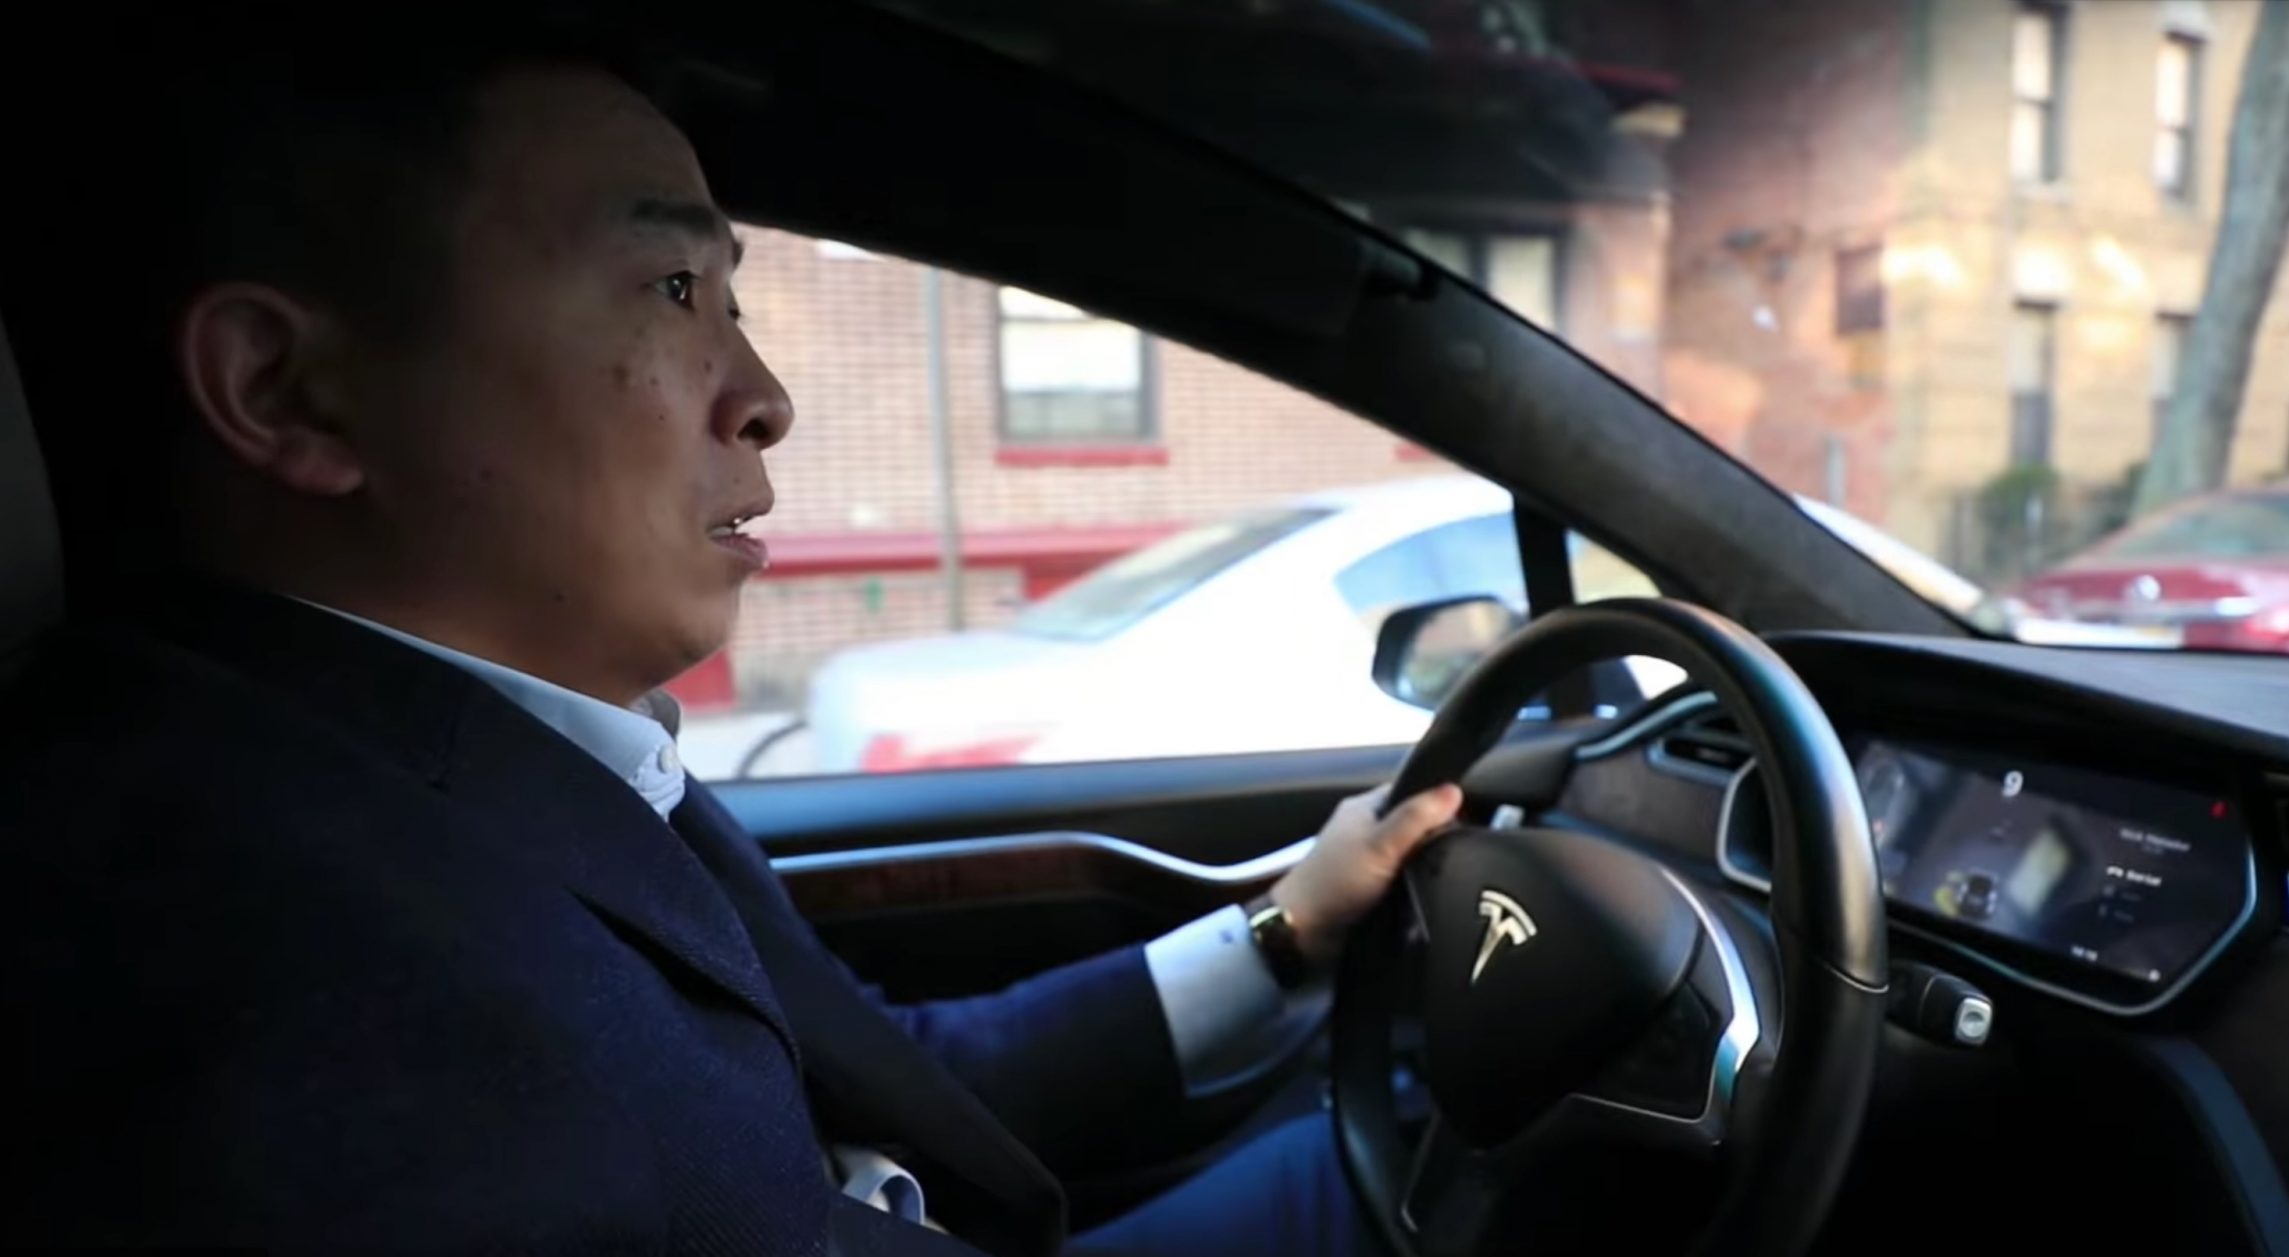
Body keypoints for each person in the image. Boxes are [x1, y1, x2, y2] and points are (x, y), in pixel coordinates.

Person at [0, 25, 1459, 1257]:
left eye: (732, 298)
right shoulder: (243, 956)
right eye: (674, 289)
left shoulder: (493, 753)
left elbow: (888, 1077)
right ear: (291, 394)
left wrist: (1283, 931)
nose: (764, 394)